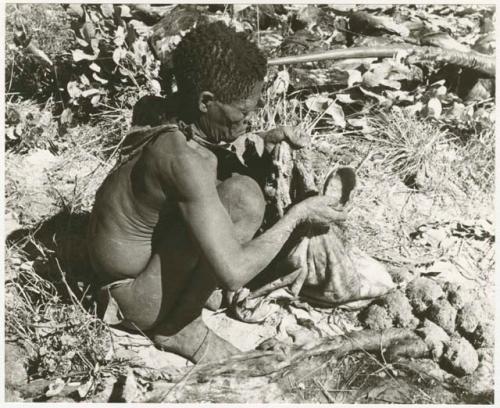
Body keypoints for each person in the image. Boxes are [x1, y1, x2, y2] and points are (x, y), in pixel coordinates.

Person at [87, 22, 346, 363]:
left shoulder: (158, 109)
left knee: (239, 188)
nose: (249, 121)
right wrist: (299, 216)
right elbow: (234, 272)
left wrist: (261, 143)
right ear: (206, 101)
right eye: (243, 112)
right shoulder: (182, 161)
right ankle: (181, 326)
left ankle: (187, 299)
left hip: (127, 270)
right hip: (132, 298)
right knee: (245, 199)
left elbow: (203, 154)